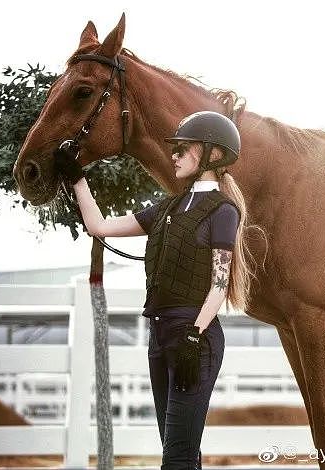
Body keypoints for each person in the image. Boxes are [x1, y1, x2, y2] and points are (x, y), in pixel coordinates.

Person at [54, 111, 254, 469]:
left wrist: (195, 334)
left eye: (182, 149)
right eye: (174, 150)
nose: (173, 156)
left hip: (195, 340)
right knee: (180, 451)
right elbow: (99, 226)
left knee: (176, 457)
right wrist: (77, 179)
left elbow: (219, 285)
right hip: (160, 336)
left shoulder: (223, 211)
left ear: (210, 154)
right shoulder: (168, 207)